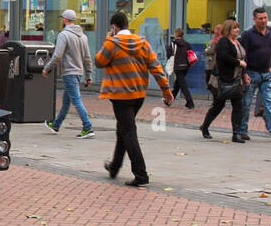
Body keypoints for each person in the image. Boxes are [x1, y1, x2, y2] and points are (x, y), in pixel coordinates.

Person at [95, 10, 174, 187]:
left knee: (128, 132)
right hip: (138, 94)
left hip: (120, 95)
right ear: (128, 26)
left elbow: (99, 61)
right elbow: (155, 66)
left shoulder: (112, 43)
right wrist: (166, 89)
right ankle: (114, 166)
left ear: (114, 27)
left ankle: (141, 174)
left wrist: (108, 39)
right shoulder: (143, 42)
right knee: (123, 129)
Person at [239, 8, 271, 142]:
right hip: (251, 73)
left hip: (266, 74)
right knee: (246, 103)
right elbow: (243, 55)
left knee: (270, 103)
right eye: (260, 18)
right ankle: (242, 130)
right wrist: (244, 73)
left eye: (265, 18)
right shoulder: (248, 34)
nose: (263, 21)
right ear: (254, 19)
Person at [42, 9, 95, 137]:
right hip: (78, 72)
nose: (62, 20)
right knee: (66, 101)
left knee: (76, 100)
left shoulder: (63, 35)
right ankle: (56, 124)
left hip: (69, 72)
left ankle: (88, 127)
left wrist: (47, 68)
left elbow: (57, 55)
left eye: (62, 18)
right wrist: (88, 75)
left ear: (65, 19)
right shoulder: (83, 36)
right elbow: (87, 58)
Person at [200, 19, 247, 141]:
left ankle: (236, 133)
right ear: (228, 30)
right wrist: (238, 62)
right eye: (234, 28)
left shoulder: (238, 42)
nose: (237, 30)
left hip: (236, 79)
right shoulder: (223, 42)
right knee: (218, 105)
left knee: (238, 106)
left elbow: (243, 59)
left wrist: (244, 74)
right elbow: (223, 57)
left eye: (238, 27)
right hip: (223, 79)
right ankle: (205, 126)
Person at [166, 27, 196, 109]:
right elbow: (191, 54)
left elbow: (168, 54)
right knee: (177, 85)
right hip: (186, 67)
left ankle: (190, 103)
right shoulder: (187, 44)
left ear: (176, 34)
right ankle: (168, 101)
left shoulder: (173, 44)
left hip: (177, 67)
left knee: (183, 85)